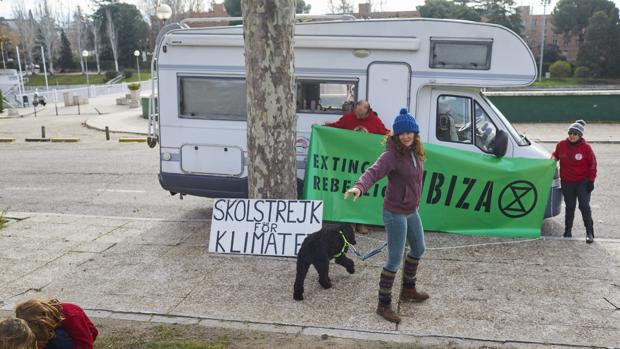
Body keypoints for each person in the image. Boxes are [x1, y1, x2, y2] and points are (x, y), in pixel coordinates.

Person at [344, 108, 429, 323]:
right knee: (394, 260)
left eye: (410, 132)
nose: (407, 136)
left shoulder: (416, 152)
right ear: (396, 135)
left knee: (419, 248)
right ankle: (383, 305)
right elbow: (373, 171)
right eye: (402, 133)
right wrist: (359, 187)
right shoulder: (391, 155)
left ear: (415, 133)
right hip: (394, 213)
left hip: (411, 211)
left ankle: (408, 290)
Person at [326, 100, 390, 234]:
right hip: (350, 163)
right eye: (356, 110)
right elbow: (336, 126)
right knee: (349, 189)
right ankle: (350, 223)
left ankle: (361, 222)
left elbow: (385, 134)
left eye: (361, 112)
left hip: (365, 164)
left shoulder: (375, 121)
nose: (357, 114)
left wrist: (396, 138)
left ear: (367, 111)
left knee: (364, 192)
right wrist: (321, 127)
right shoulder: (348, 118)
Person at [551, 120, 597, 243]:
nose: (572, 135)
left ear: (580, 135)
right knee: (570, 206)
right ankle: (567, 231)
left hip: (582, 181)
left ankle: (590, 232)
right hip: (567, 182)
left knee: (584, 206)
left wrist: (591, 181)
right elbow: (555, 155)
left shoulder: (586, 148)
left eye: (575, 133)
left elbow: (592, 164)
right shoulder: (561, 145)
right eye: (570, 133)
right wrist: (552, 160)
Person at [16, 299, 98, 349]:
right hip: (58, 336)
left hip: (82, 340)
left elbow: (86, 345)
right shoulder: (44, 323)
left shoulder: (72, 315)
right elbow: (39, 342)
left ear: (41, 321)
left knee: (59, 335)